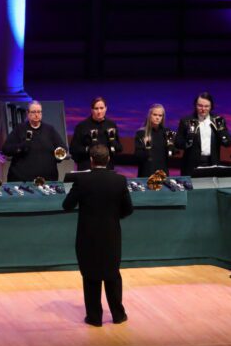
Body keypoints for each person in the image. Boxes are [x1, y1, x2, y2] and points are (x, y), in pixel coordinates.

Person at [61, 144, 134, 327]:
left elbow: (67, 205)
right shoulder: (119, 180)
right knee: (112, 274)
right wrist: (114, 216)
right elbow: (128, 209)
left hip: (88, 236)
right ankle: (118, 315)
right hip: (111, 234)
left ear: (91, 160)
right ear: (108, 159)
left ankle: (94, 318)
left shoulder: (82, 181)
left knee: (91, 275)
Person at [1, 100, 67, 182]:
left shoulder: (49, 130)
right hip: (23, 180)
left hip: (47, 179)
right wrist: (21, 147)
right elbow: (6, 149)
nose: (36, 115)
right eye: (34, 112)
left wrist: (59, 156)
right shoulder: (19, 129)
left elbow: (63, 149)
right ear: (28, 113)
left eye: (39, 112)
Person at [174, 92, 231, 176]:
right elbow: (177, 142)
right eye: (200, 106)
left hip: (212, 163)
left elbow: (228, 143)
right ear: (195, 105)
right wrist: (188, 141)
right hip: (191, 165)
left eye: (206, 106)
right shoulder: (186, 121)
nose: (203, 109)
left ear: (211, 107)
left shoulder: (217, 120)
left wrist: (221, 133)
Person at [69, 96, 123, 171]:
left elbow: (119, 148)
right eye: (96, 108)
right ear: (91, 110)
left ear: (106, 108)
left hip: (107, 169)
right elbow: (73, 149)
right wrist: (88, 149)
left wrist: (113, 144)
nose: (99, 111)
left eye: (101, 108)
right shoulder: (82, 126)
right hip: (87, 168)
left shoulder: (111, 125)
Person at [134, 103, 175, 177]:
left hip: (162, 173)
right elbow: (138, 156)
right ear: (150, 115)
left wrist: (172, 147)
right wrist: (147, 148)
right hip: (147, 172)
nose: (157, 118)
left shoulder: (167, 132)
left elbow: (170, 153)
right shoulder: (141, 133)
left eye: (160, 115)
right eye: (155, 115)